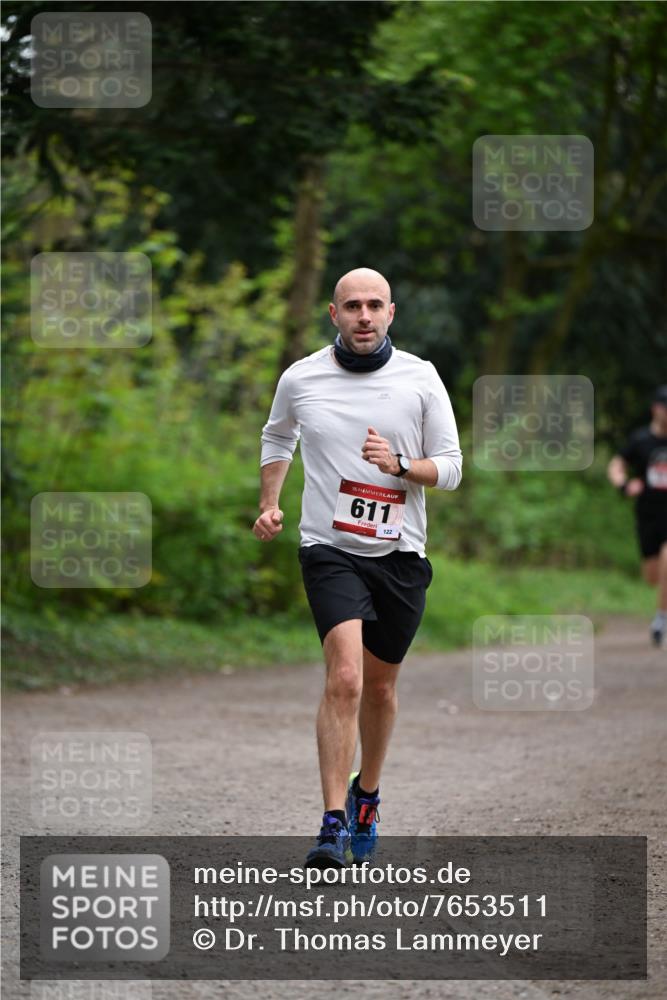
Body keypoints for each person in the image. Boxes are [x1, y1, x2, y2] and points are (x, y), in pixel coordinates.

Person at [253, 267, 462, 868]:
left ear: (391, 312)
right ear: (333, 313)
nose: (363, 316)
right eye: (352, 306)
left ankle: (366, 794)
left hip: (399, 554)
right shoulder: (302, 377)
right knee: (344, 679)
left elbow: (450, 467)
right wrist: (269, 504)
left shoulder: (420, 378)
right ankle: (331, 823)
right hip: (329, 547)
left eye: (374, 305)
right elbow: (277, 438)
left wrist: (398, 464)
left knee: (381, 687)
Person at [607, 385, 667, 646]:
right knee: (653, 576)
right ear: (656, 408)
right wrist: (624, 484)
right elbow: (617, 464)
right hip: (648, 515)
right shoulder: (641, 440)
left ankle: (661, 619)